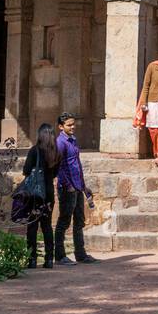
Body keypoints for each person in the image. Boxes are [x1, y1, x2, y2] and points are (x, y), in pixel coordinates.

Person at [54, 113, 97, 264]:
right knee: (64, 222)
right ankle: (59, 255)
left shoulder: (73, 140)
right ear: (61, 127)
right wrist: (68, 185)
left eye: (73, 124)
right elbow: (59, 168)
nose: (72, 127)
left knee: (79, 220)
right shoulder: (60, 143)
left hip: (77, 186)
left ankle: (81, 254)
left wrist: (83, 186)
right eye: (69, 125)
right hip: (67, 188)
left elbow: (76, 164)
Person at [22, 122, 61, 269]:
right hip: (48, 193)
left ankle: (32, 259)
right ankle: (49, 259)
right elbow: (55, 173)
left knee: (32, 226)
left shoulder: (34, 151)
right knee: (47, 226)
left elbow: (26, 170)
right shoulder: (56, 153)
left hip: (35, 193)